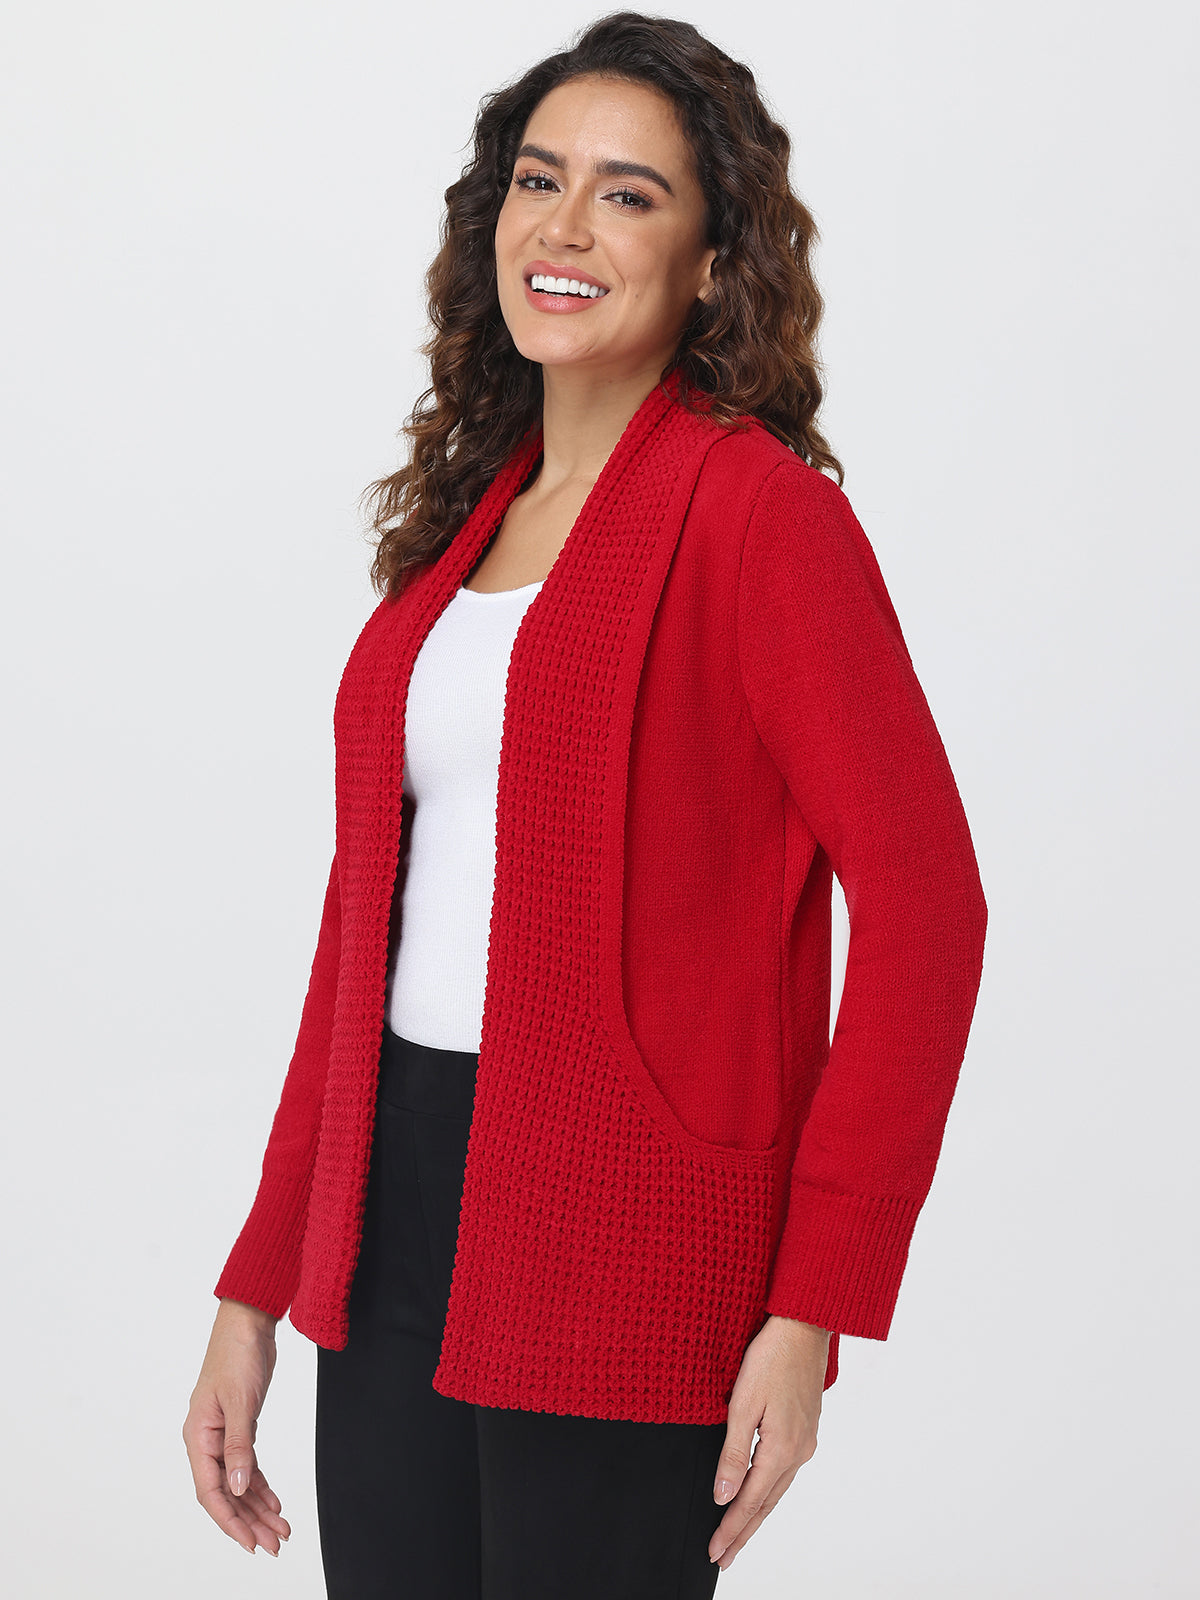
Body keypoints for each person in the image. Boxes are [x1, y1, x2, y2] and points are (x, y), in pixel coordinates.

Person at [182, 11, 988, 1597]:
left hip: (630, 1237)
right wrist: (260, 1279)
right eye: (539, 180)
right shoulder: (460, 533)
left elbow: (928, 911)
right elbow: (369, 925)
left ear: (709, 264)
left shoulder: (762, 520)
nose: (563, 227)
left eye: (628, 194)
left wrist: (812, 1304)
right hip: (396, 1206)